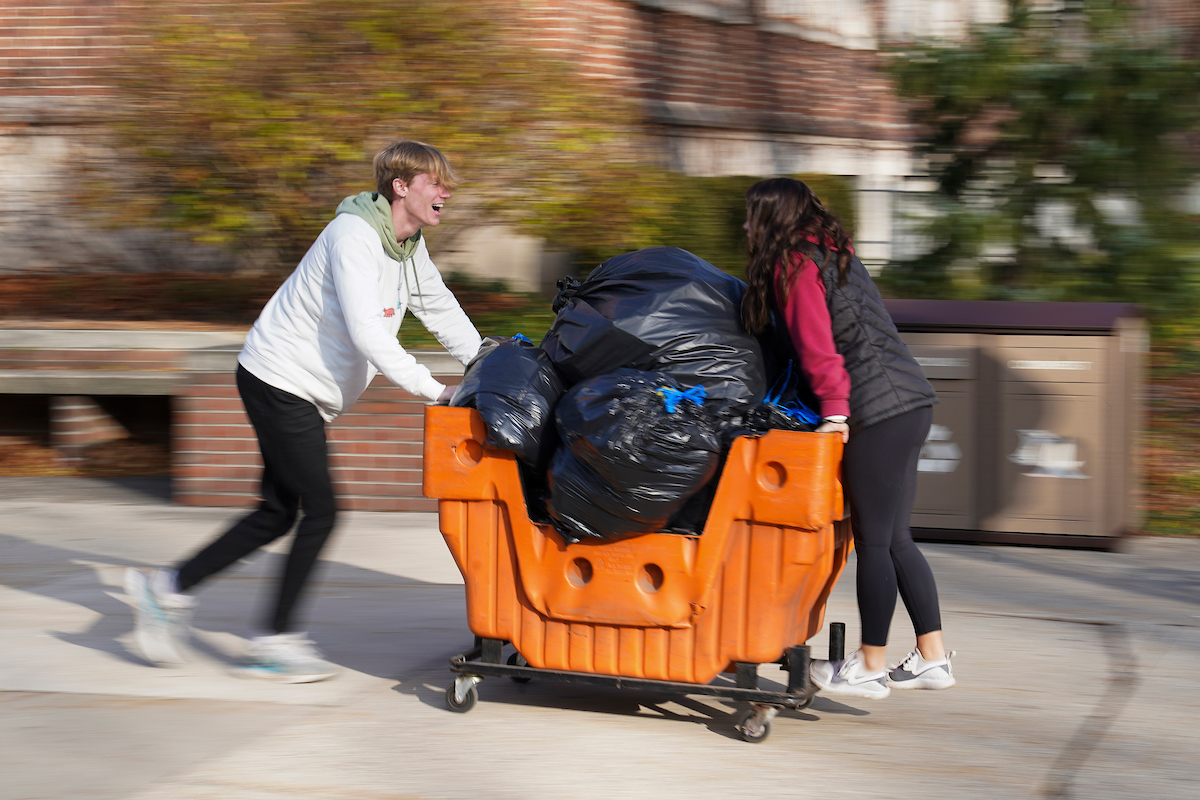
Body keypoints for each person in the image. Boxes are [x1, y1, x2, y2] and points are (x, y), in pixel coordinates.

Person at [125, 140, 482, 682]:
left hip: (301, 389)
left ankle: (164, 590)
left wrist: (483, 361)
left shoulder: (408, 248)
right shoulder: (354, 236)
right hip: (279, 379)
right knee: (321, 510)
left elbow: (437, 306)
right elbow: (367, 332)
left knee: (275, 512)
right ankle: (274, 641)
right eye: (436, 182)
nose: (446, 191)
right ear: (401, 186)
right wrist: (438, 392)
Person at [741, 177, 954, 700]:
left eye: (750, 216)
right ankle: (932, 657)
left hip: (874, 409)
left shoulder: (793, 264)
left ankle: (869, 666)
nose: (744, 226)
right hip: (911, 400)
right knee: (897, 538)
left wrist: (834, 414)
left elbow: (819, 349)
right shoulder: (834, 253)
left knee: (875, 542)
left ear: (770, 219)